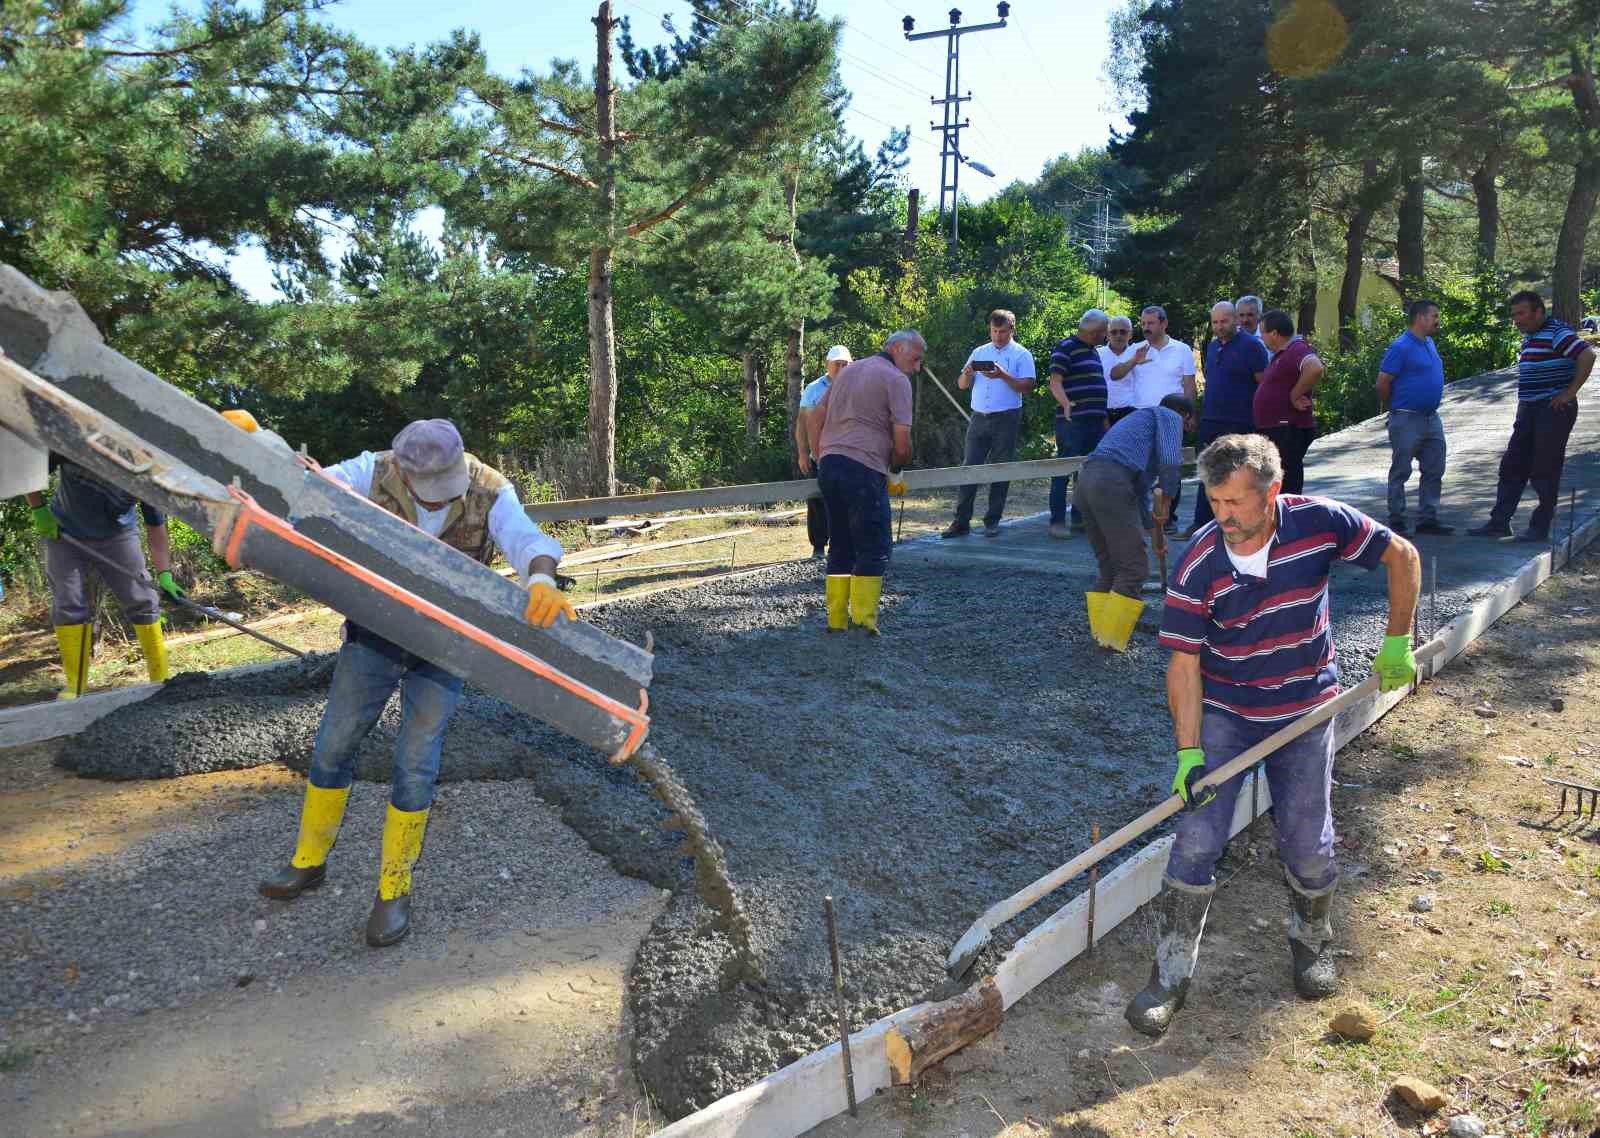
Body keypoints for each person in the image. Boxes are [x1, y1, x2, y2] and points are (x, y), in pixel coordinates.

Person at [1126, 434, 1421, 1036]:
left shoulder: (1319, 523)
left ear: (1272, 493)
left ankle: (1312, 941)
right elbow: (1182, 667)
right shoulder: (1199, 564)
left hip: (1306, 708)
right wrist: (1189, 753)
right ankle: (1170, 973)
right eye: (1214, 501)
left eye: (1236, 502)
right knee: (1198, 838)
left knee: (1308, 841)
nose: (1224, 516)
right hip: (1228, 714)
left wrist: (1398, 639)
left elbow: (1403, 556)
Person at [259, 419, 574, 948]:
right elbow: (310, 486)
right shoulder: (370, 469)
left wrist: (540, 578)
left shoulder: (490, 489)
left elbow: (526, 539)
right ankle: (308, 861)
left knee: (416, 759)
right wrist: (263, 450)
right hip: (375, 632)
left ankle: (394, 888)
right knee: (335, 742)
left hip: (445, 646)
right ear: (402, 468)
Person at [23, 461, 180, 699]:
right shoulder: (74, 439)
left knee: (143, 600)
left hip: (118, 536)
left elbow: (155, 525)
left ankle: (160, 678)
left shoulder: (147, 470)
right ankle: (76, 685)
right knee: (68, 602)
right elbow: (28, 469)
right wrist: (38, 509)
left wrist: (165, 574)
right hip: (63, 532)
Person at [813, 330, 919, 634]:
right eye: (916, 358)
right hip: (863, 467)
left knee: (841, 545)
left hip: (831, 466)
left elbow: (813, 415)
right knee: (874, 546)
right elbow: (902, 442)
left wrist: (821, 454)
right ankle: (863, 622)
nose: (918, 366)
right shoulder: (896, 379)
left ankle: (836, 621)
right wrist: (897, 470)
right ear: (898, 348)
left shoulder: (849, 371)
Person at [1467, 290, 1595, 541]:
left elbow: (1587, 355)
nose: (1517, 320)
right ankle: (1499, 523)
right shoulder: (1530, 336)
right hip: (1529, 410)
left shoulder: (1557, 332)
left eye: (1521, 313)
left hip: (1552, 410)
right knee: (1512, 465)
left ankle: (1539, 527)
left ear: (1539, 312)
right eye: (1514, 315)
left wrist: (1569, 393)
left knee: (1544, 467)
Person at [1076, 394, 1195, 651]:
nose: (1185, 431)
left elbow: (1139, 495)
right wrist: (1168, 498)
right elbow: (1170, 461)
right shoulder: (1168, 416)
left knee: (1110, 568)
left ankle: (1100, 635)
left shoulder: (1139, 429)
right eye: (1188, 425)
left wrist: (1157, 538)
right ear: (1185, 416)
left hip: (1086, 480)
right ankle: (1110, 643)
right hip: (1110, 481)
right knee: (1134, 568)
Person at [942, 310, 1037, 538]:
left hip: (1006, 417)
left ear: (1012, 330)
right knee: (970, 468)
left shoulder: (1021, 355)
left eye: (1002, 332)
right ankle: (961, 521)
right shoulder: (979, 351)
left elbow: (1029, 387)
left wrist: (1004, 375)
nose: (998, 336)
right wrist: (967, 374)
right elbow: (962, 385)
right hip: (979, 416)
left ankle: (992, 521)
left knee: (1001, 468)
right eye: (994, 331)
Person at [1182, 301, 1269, 538]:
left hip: (1240, 422)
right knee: (1206, 471)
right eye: (1215, 322)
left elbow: (1264, 385)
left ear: (1236, 320)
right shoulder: (1212, 346)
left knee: (1237, 475)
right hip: (1212, 419)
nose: (1219, 326)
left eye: (1224, 321)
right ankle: (1201, 525)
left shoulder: (1252, 346)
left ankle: (1239, 524)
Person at [1377, 300, 1455, 536]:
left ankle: (1427, 519)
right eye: (1434, 315)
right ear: (1420, 317)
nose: (1437, 320)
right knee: (1401, 470)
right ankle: (1397, 520)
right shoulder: (1401, 347)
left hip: (1431, 418)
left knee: (1435, 468)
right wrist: (1395, 410)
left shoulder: (1429, 342)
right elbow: (1382, 382)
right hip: (1407, 419)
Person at [1126, 305, 1197, 530]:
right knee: (1140, 469)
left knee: (1170, 467)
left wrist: (1190, 415)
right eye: (1143, 323)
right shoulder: (1137, 349)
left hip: (1172, 419)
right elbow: (1115, 374)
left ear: (1164, 324)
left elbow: (1189, 386)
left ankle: (1168, 518)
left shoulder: (1182, 349)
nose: (1146, 328)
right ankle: (1143, 518)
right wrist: (1133, 361)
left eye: (1151, 323)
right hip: (1142, 419)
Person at [1047, 309, 1111, 539]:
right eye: (1104, 332)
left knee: (1087, 472)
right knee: (1064, 470)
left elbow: (1097, 386)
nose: (1106, 336)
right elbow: (1055, 382)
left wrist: (1104, 419)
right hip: (1073, 421)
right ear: (1095, 332)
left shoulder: (1093, 352)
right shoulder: (1066, 347)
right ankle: (1056, 521)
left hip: (1095, 421)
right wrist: (1065, 404)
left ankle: (1079, 518)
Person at [1254, 309, 1323, 494]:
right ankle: (1280, 516)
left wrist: (1294, 395)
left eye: (1263, 333)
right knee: (1277, 477)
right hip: (1277, 428)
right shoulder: (1282, 354)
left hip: (1287, 428)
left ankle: (1290, 516)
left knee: (1288, 477)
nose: (1261, 338)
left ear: (1275, 334)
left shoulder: (1297, 348)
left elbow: (1315, 368)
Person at [797, 345, 853, 558]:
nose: (840, 367)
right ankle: (819, 545)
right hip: (818, 453)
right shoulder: (813, 388)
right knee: (817, 500)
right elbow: (802, 423)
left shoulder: (857, 386)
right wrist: (802, 453)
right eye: (837, 364)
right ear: (827, 365)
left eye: (844, 364)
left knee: (846, 499)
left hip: (848, 453)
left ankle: (843, 545)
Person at [1099, 316, 1141, 426]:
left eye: (1123, 332)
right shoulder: (1097, 354)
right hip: (1102, 412)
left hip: (1131, 413)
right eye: (1114, 332)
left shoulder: (1139, 353)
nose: (1118, 335)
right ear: (1108, 335)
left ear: (1130, 334)